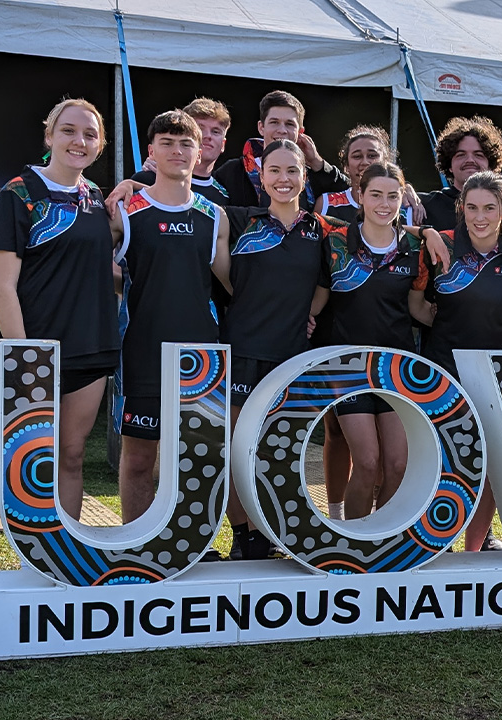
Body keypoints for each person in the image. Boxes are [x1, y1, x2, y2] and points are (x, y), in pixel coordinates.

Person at [0, 98, 119, 521]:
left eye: (90, 134)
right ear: (49, 136)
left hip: (91, 345)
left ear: (100, 145)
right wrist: (25, 355)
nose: (79, 141)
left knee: (72, 453)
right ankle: (37, 547)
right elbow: (2, 286)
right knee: (34, 456)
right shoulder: (18, 194)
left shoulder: (96, 198)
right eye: (68, 130)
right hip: (39, 351)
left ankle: (67, 547)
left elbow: (103, 268)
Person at [220, 138, 345, 559]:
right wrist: (131, 185)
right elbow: (185, 201)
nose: (283, 178)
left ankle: (272, 531)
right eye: (274, 170)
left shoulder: (322, 229)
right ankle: (244, 537)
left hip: (291, 357)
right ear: (261, 176)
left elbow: (330, 278)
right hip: (242, 351)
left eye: (292, 170)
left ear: (304, 176)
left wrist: (308, 312)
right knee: (237, 451)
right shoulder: (240, 219)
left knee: (275, 452)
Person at [112, 110, 231, 524]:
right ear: (152, 151)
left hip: (200, 358)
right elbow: (93, 270)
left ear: (199, 153)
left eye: (185, 144)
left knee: (196, 459)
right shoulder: (126, 210)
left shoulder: (214, 216)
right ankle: (137, 544)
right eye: (167, 142)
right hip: (143, 352)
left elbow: (234, 285)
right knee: (139, 458)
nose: (177, 151)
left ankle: (189, 545)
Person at [311, 162, 430, 519]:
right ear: (360, 196)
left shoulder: (415, 247)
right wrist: (302, 319)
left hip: (396, 368)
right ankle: (354, 540)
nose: (384, 204)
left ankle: (382, 536)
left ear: (403, 199)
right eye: (376, 194)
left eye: (393, 196)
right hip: (348, 368)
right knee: (366, 461)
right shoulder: (336, 241)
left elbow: (417, 308)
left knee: (397, 464)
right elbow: (318, 300)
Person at [415, 171, 502, 552]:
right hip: (443, 370)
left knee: (490, 464)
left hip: (495, 375)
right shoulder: (441, 244)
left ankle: (475, 549)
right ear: (461, 208)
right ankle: (436, 544)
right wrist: (424, 231)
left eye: (490, 208)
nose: (480, 217)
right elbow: (416, 303)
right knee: (443, 462)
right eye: (472, 207)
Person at [212, 90, 349, 208]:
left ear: (300, 132)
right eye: (274, 122)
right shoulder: (233, 171)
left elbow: (350, 194)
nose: (282, 130)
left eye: (290, 124)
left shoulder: (312, 175)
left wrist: (317, 163)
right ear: (261, 127)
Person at [418, 116, 502, 239]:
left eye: (478, 155)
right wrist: (407, 190)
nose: (470, 160)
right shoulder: (425, 204)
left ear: (491, 164)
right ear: (449, 165)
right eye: (461, 155)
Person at [131, 97, 232, 206]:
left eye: (215, 131)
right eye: (200, 128)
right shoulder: (147, 179)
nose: (208, 136)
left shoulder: (225, 195)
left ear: (223, 144)